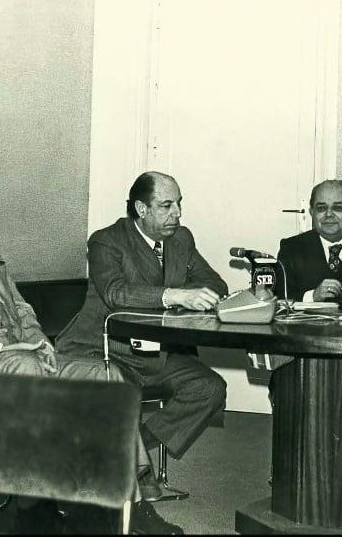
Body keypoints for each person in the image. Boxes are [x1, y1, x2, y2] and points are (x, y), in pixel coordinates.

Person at [0, 154, 182, 534]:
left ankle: (124, 505)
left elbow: (18, 305)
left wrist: (35, 340)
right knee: (25, 368)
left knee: (107, 376)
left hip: (13, 354)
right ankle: (39, 506)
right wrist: (0, 350)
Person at [56, 170, 228, 482]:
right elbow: (115, 293)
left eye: (178, 204)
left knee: (210, 388)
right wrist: (173, 295)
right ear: (141, 209)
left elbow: (214, 282)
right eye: (166, 206)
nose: (176, 213)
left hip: (154, 354)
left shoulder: (181, 239)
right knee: (121, 393)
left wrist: (191, 296)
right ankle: (132, 468)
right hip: (102, 350)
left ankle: (137, 451)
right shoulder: (106, 242)